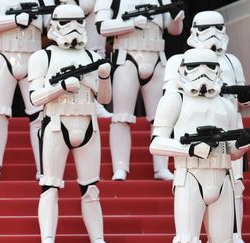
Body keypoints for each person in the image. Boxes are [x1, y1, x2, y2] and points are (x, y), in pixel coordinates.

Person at [163, 11, 247, 243]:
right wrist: (189, 149)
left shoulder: (227, 103)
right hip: (190, 173)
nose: (204, 73)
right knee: (186, 238)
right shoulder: (176, 96)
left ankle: (237, 234)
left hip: (222, 172)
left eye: (210, 67)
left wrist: (241, 144)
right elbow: (157, 141)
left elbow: (234, 151)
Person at [29, 4, 111, 243]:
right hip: (56, 123)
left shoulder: (92, 57)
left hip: (88, 125)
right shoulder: (43, 57)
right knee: (50, 186)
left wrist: (104, 77)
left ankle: (98, 238)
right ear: (54, 25)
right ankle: (47, 238)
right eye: (66, 23)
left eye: (78, 21)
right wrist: (60, 87)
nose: (73, 28)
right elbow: (34, 98)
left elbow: (104, 99)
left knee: (91, 189)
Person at [94, 0, 185, 180]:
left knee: (160, 119)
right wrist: (131, 23)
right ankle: (120, 167)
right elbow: (102, 27)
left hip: (157, 58)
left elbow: (175, 30)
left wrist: (176, 17)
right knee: (121, 117)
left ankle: (161, 168)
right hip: (126, 57)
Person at [0, 0, 56, 181]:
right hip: (3, 56)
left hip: (33, 59)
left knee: (39, 116)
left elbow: (55, 25)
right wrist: (15, 19)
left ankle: (43, 167)